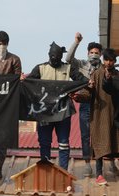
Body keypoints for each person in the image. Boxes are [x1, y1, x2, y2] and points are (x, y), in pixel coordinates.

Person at [27, 41, 88, 171]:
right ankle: (45, 169)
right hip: (45, 113)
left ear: (61, 56)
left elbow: (81, 80)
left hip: (63, 111)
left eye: (57, 57)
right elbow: (28, 83)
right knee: (44, 142)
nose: (55, 59)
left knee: (64, 143)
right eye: (52, 57)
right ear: (49, 55)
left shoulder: (68, 68)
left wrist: (80, 87)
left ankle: (63, 171)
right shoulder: (40, 68)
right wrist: (22, 79)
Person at [72, 48, 119, 185]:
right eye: (106, 60)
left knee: (116, 141)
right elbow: (88, 94)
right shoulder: (96, 74)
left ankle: (113, 168)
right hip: (100, 114)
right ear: (103, 60)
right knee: (99, 142)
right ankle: (99, 174)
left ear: (114, 61)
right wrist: (79, 96)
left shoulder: (117, 75)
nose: (108, 63)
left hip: (116, 114)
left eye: (111, 60)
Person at [65, 32, 103, 177]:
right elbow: (68, 59)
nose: (94, 55)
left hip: (100, 105)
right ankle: (87, 163)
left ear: (100, 55)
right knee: (85, 135)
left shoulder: (103, 68)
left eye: (96, 53)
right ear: (88, 53)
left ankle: (104, 163)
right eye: (91, 52)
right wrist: (76, 42)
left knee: (100, 135)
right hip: (85, 103)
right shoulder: (81, 64)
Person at [0, 31, 22, 179]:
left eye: (4, 43)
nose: (1, 46)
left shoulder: (14, 59)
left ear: (7, 43)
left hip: (6, 105)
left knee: (3, 138)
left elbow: (17, 80)